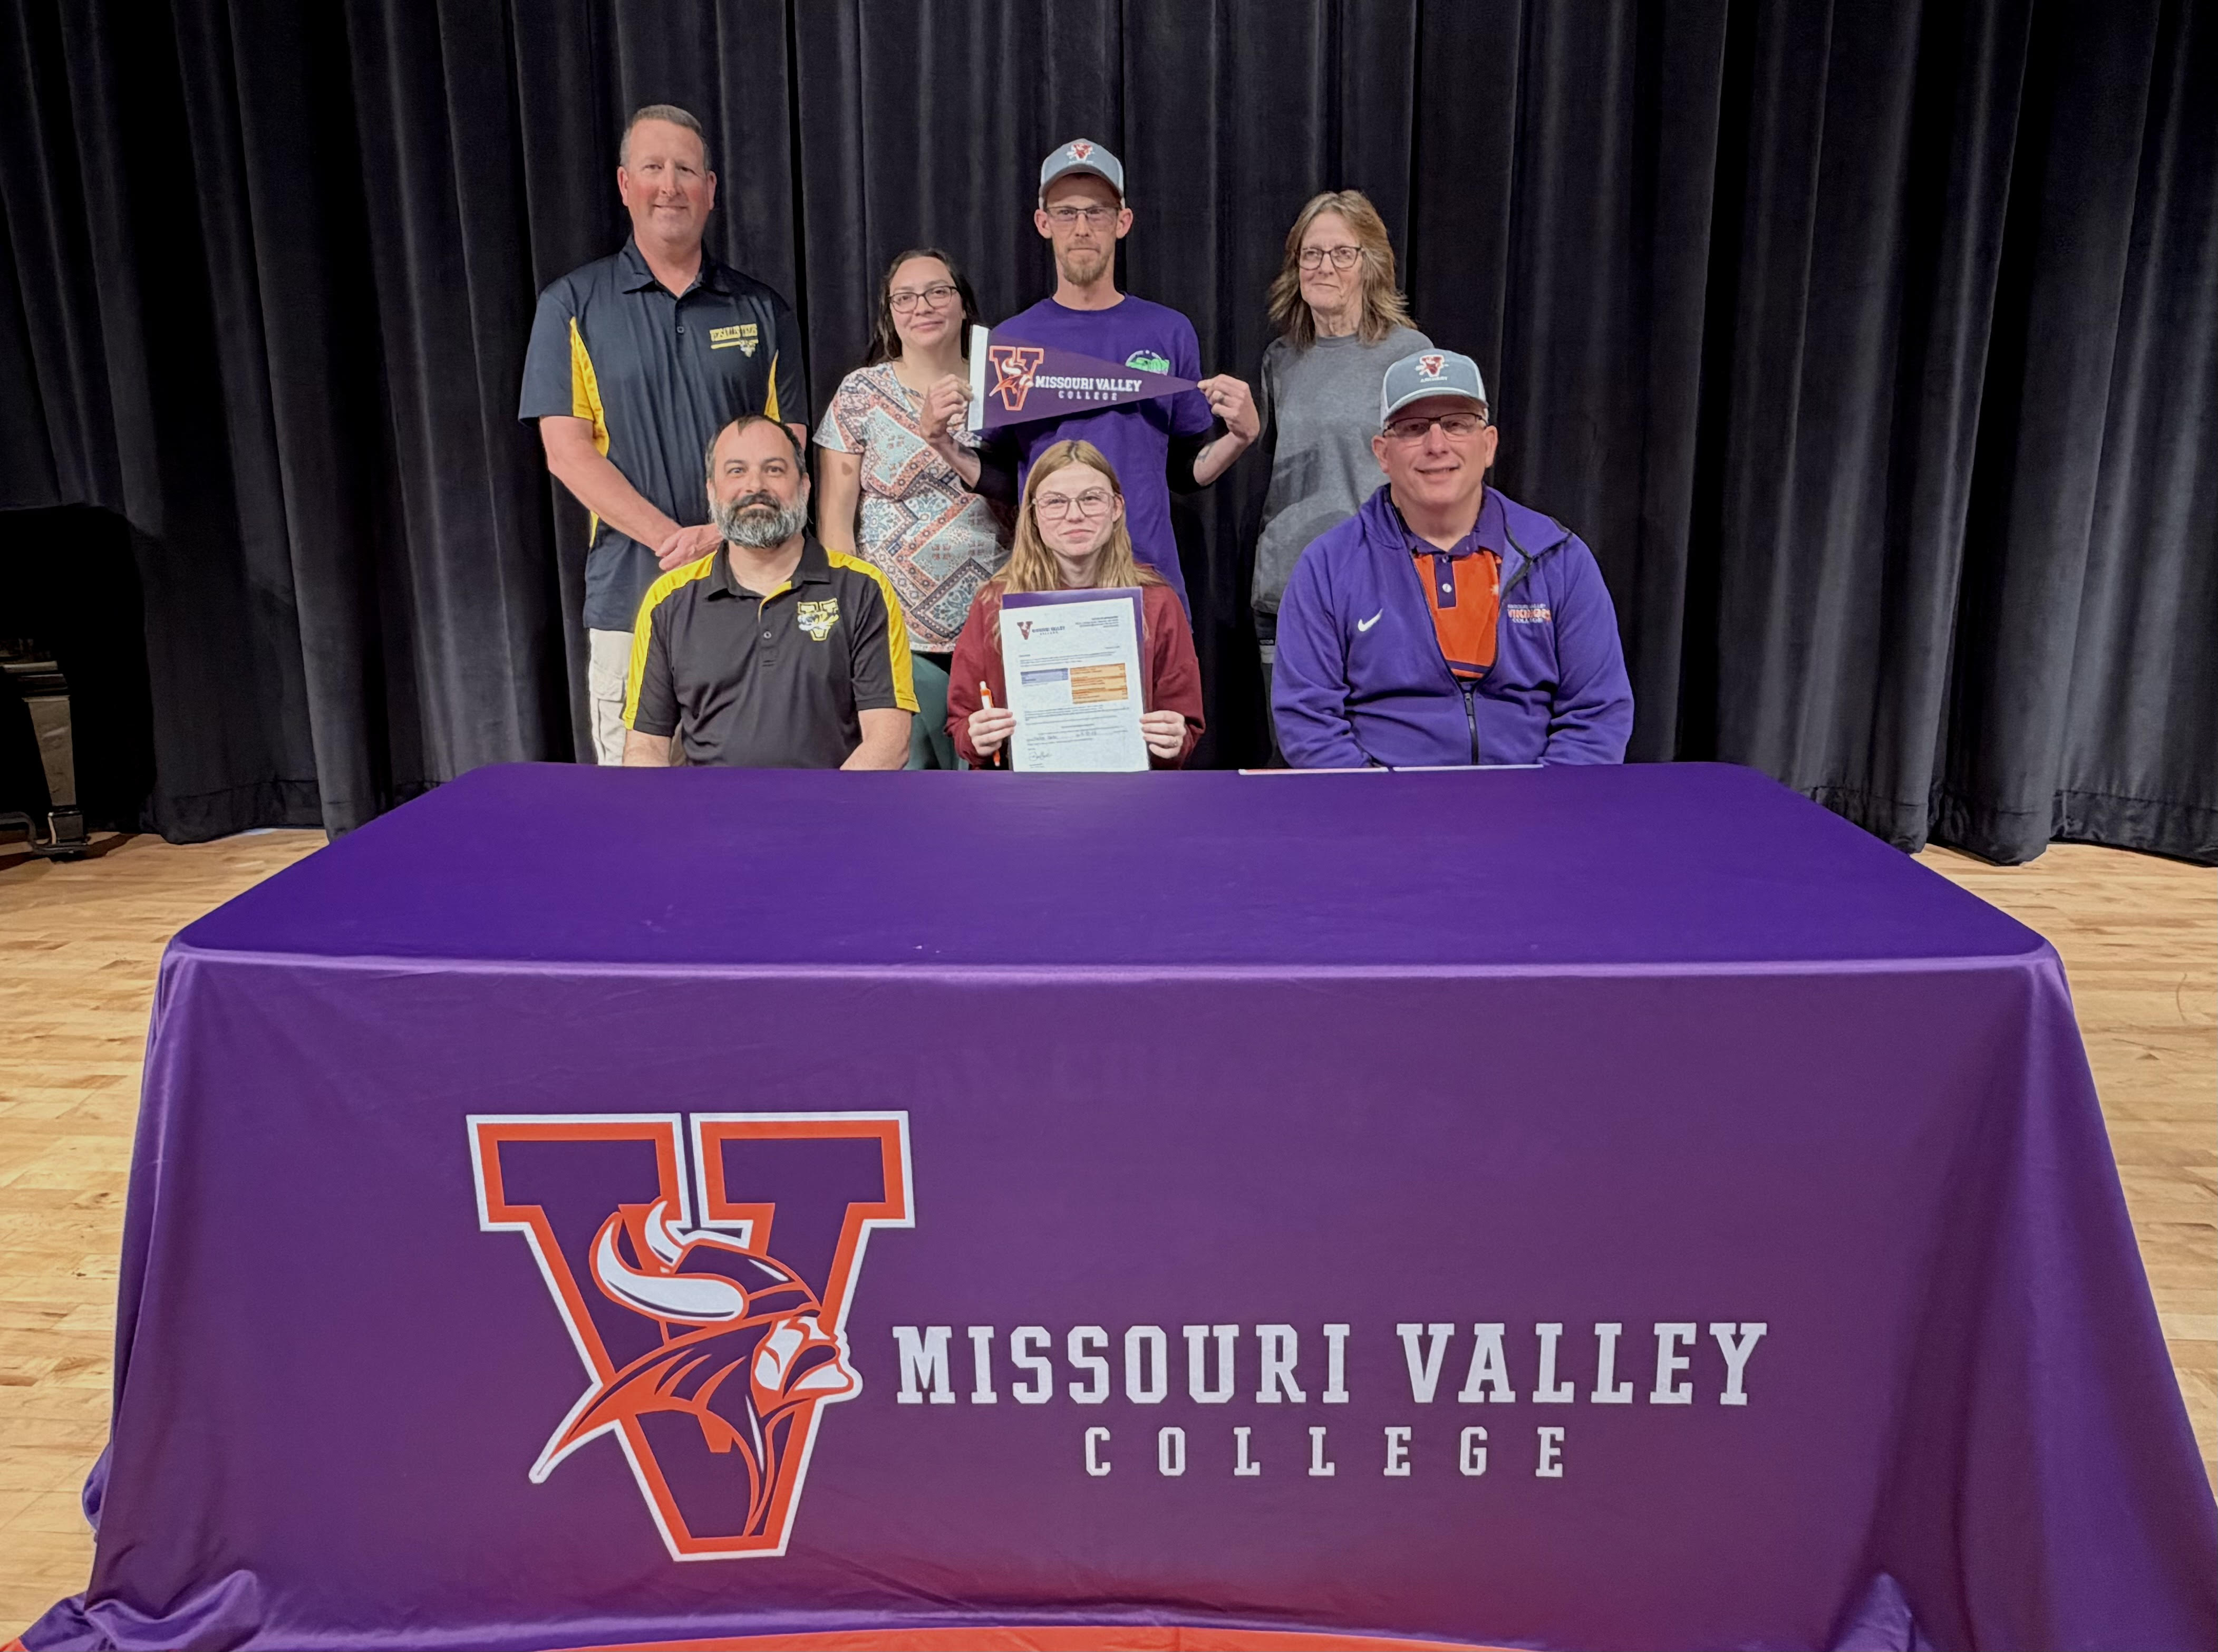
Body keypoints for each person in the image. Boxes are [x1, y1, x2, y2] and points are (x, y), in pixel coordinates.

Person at [521, 103, 810, 765]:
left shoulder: (762, 309)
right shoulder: (571, 305)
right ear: (626, 184)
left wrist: (719, 536)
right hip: (631, 599)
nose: (670, 186)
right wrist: (671, 541)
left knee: (754, 788)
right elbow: (566, 452)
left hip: (755, 593)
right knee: (640, 801)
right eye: (653, 167)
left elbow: (788, 448)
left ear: (711, 189)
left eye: (686, 170)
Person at [924, 140, 1257, 614]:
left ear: (1123, 222)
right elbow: (1006, 476)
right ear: (1043, 223)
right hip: (1048, 581)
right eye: (1066, 213)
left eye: (1097, 212)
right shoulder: (1012, 340)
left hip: (1147, 578)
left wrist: (1240, 438)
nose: (1081, 228)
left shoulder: (1168, 331)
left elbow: (1182, 472)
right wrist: (941, 442)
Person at [1272, 350, 1633, 768]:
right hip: (1381, 800)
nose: (1437, 445)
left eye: (1457, 424)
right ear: (1382, 453)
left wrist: (1546, 799)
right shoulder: (1327, 566)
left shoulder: (1558, 557)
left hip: (1534, 797)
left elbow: (1597, 714)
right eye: (1413, 428)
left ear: (1489, 444)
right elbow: (1308, 722)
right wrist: (1377, 801)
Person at [623, 415, 914, 769]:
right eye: (736, 471)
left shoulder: (863, 589)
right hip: (709, 805)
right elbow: (645, 748)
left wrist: (820, 805)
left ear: (804, 486)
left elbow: (888, 742)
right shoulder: (668, 600)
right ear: (711, 491)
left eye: (774, 470)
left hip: (830, 803)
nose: (755, 486)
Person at [814, 249, 1010, 770]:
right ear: (889, 312)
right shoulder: (860, 393)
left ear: (963, 304)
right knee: (908, 784)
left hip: (994, 628)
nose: (922, 306)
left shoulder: (1002, 386)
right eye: (904, 297)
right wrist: (856, 624)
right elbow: (835, 526)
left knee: (988, 785)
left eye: (938, 292)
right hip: (895, 632)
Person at [1252, 191, 1431, 721]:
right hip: (1285, 591)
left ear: (1370, 264)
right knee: (1295, 753)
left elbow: (1433, 480)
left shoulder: (1409, 357)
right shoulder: (1280, 359)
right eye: (1310, 254)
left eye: (1341, 253)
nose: (1323, 266)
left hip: (1377, 592)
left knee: (1377, 750)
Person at [946, 441, 1203, 770]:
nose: (1075, 515)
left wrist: (1174, 738)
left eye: (1091, 499)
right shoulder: (995, 602)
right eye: (1055, 502)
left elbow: (1185, 724)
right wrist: (977, 737)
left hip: (1130, 786)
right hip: (1021, 788)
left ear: (1116, 508)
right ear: (1033, 515)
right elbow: (962, 722)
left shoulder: (1157, 600)